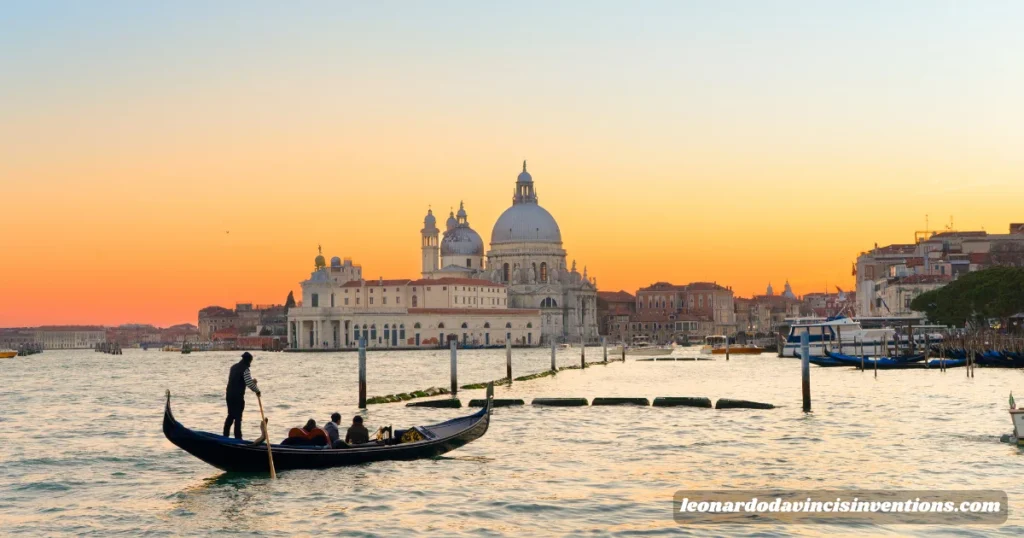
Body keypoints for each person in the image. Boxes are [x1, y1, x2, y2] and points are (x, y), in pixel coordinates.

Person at [223, 352, 260, 439]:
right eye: (250, 361)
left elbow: (239, 379)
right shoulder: (245, 369)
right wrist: (257, 391)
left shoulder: (233, 367)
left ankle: (225, 435)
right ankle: (238, 438)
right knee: (238, 417)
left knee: (231, 415)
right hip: (238, 396)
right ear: (248, 360)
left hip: (229, 395)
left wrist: (251, 382)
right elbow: (248, 383)